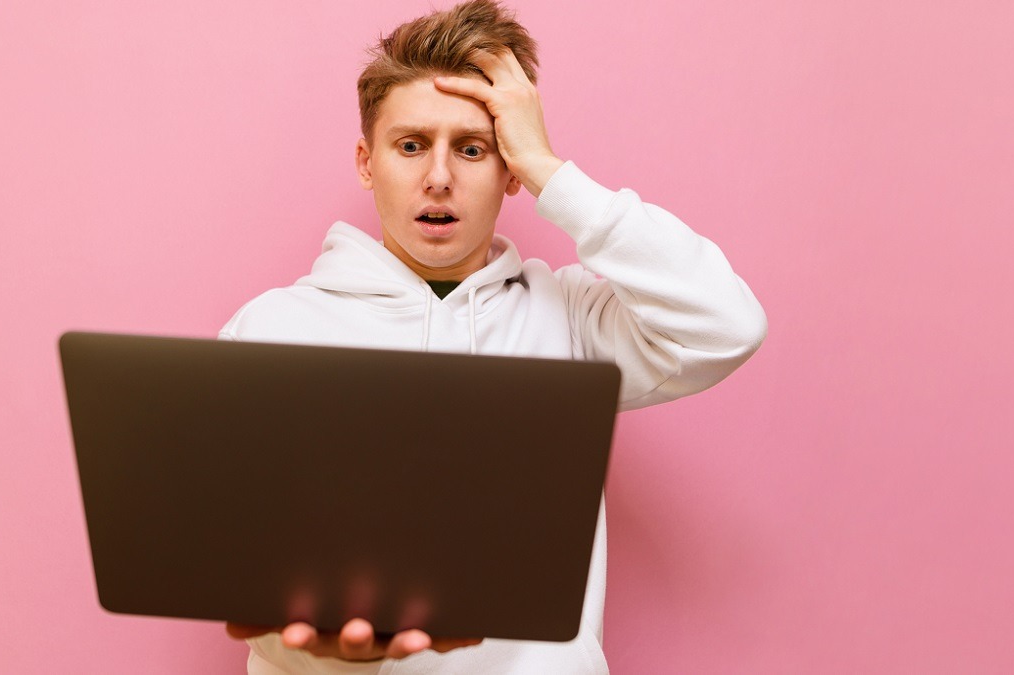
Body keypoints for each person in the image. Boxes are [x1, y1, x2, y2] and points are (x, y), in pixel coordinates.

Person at [218, 0, 767, 672]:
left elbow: (726, 324)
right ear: (367, 162)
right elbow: (240, 566)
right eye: (411, 144)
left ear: (510, 171)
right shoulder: (272, 329)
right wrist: (305, 645)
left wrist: (550, 169)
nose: (440, 176)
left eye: (472, 149)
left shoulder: (568, 319)